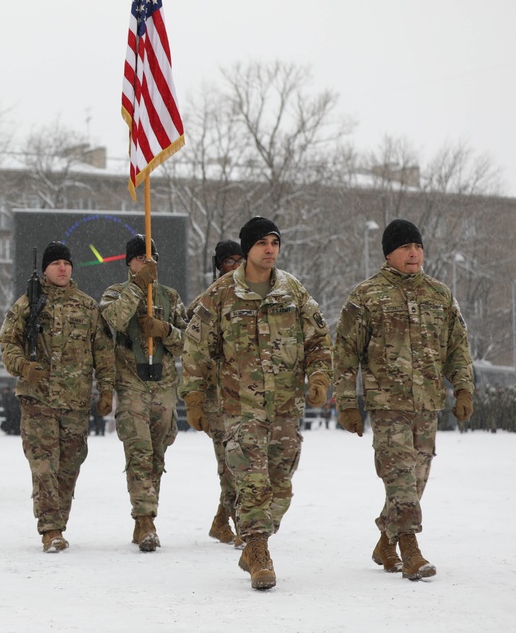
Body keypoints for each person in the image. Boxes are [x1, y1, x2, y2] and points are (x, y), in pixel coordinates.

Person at [180, 217, 332, 589]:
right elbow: (196, 348)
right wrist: (195, 397)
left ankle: (256, 540)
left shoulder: (292, 292)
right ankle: (258, 549)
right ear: (247, 248)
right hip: (240, 408)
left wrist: (320, 377)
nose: (270, 249)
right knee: (251, 482)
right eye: (262, 242)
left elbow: (318, 339)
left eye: (274, 242)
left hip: (284, 407)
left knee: (280, 484)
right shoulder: (220, 295)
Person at [333, 218, 474, 580]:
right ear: (389, 254)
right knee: (400, 477)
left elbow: (457, 347)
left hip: (427, 404)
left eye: (418, 247)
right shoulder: (367, 296)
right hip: (388, 406)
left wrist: (462, 388)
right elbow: (346, 352)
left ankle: (385, 541)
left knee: (417, 479)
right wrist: (347, 402)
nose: (413, 253)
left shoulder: (440, 295)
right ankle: (410, 549)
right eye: (405, 247)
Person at [0, 241, 115, 553]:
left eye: (66, 263)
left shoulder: (88, 307)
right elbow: (7, 343)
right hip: (38, 400)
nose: (62, 268)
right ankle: (50, 528)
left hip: (75, 403)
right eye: (56, 264)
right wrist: (23, 366)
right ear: (45, 270)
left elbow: (103, 352)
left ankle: (59, 519)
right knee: (43, 465)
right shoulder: (26, 305)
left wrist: (106, 390)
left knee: (70, 464)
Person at [99, 234, 187, 552]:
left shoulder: (170, 297)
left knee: (156, 455)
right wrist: (137, 287)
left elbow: (187, 342)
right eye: (141, 259)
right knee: (138, 452)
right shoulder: (115, 293)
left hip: (163, 384)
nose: (149, 265)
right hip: (131, 381)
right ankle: (145, 518)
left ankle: (145, 516)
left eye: (153, 260)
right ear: (129, 263)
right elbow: (115, 321)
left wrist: (164, 330)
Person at [187, 240, 244, 547]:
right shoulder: (205, 302)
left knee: (247, 461)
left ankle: (222, 520)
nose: (234, 267)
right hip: (217, 397)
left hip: (248, 394)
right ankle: (240, 524)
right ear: (218, 266)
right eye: (228, 262)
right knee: (231, 463)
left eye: (239, 261)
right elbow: (188, 343)